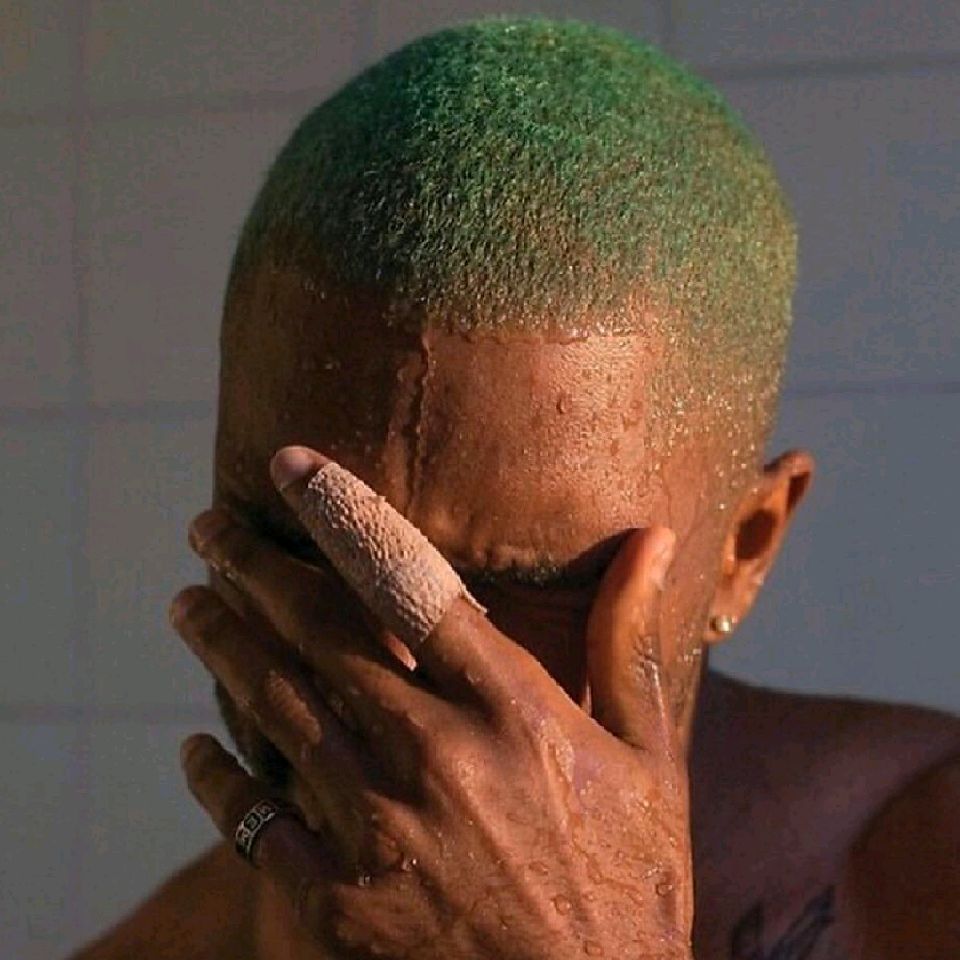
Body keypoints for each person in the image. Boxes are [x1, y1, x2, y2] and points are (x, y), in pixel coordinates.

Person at [71, 17, 959, 960]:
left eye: (521, 587)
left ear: (746, 548)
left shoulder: (916, 871)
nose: (389, 658)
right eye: (300, 544)